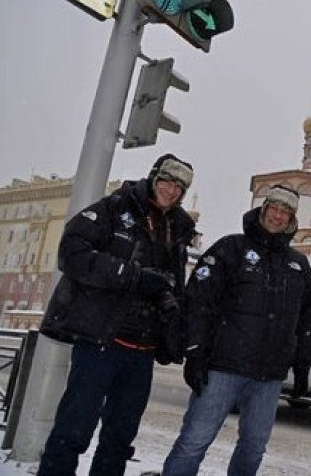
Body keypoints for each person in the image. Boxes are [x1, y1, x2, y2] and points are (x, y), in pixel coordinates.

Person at [38, 153, 196, 476]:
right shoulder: (115, 208)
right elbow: (71, 252)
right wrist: (130, 275)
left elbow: (172, 284)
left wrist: (174, 319)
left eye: (179, 187)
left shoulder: (178, 228)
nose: (171, 191)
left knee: (120, 439)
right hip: (102, 341)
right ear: (154, 178)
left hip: (143, 351)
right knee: (74, 429)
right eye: (167, 181)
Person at [161, 184, 311, 476]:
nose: (277, 216)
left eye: (285, 212)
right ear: (263, 210)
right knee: (195, 440)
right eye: (273, 208)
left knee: (254, 447)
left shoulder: (298, 265)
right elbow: (199, 301)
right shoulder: (230, 249)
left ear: (292, 219)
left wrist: (302, 365)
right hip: (223, 368)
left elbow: (305, 320)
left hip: (268, 376)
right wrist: (195, 351)